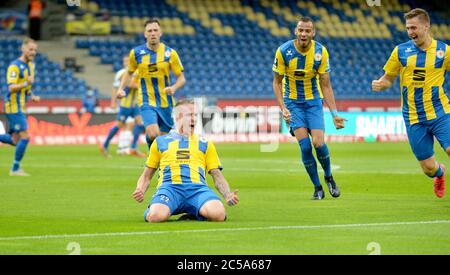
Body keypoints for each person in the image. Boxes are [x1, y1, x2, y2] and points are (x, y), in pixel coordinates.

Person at [372, 8, 450, 198]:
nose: (410, 32)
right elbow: (388, 77)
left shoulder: (444, 51)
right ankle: (440, 174)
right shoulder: (400, 51)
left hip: (440, 112)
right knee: (428, 169)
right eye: (408, 28)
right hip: (413, 117)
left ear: (426, 26)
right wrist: (383, 84)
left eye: (414, 27)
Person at [272, 17, 346, 200]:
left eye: (308, 31)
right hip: (293, 104)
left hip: (313, 102)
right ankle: (317, 187)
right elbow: (276, 83)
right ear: (295, 32)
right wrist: (283, 108)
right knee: (305, 147)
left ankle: (329, 177)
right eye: (301, 30)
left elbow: (326, 85)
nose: (304, 34)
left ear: (313, 33)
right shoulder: (283, 51)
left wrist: (334, 114)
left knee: (318, 143)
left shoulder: (321, 52)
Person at [133, 99, 239, 222]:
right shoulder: (160, 142)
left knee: (218, 214)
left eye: (195, 115)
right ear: (178, 117)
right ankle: (152, 209)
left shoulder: (205, 143)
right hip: (170, 189)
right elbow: (147, 176)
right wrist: (140, 190)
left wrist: (227, 195)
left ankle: (193, 213)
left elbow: (217, 175)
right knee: (156, 216)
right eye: (189, 115)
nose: (193, 118)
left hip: (197, 189)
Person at [117, 18, 186, 151]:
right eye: (150, 31)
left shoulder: (170, 53)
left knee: (164, 140)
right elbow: (129, 72)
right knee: (153, 133)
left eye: (155, 30)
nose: (153, 33)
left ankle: (158, 162)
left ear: (160, 33)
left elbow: (182, 79)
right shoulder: (136, 53)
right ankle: (151, 153)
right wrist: (121, 89)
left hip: (166, 102)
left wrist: (174, 88)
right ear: (145, 34)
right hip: (146, 99)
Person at [0, 37, 40, 176]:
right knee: (25, 136)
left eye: (35, 50)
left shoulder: (30, 66)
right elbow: (11, 88)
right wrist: (25, 84)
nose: (33, 52)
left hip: (21, 106)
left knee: (14, 140)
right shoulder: (14, 66)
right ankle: (15, 169)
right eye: (30, 49)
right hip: (13, 106)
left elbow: (26, 87)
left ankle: (16, 168)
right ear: (23, 49)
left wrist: (31, 94)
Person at [100, 56, 146, 158]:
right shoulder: (122, 73)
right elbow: (118, 88)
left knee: (140, 124)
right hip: (125, 105)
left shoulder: (137, 71)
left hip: (135, 105)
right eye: (125, 61)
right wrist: (113, 102)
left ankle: (133, 147)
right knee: (118, 126)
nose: (126, 63)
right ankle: (105, 145)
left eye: (128, 61)